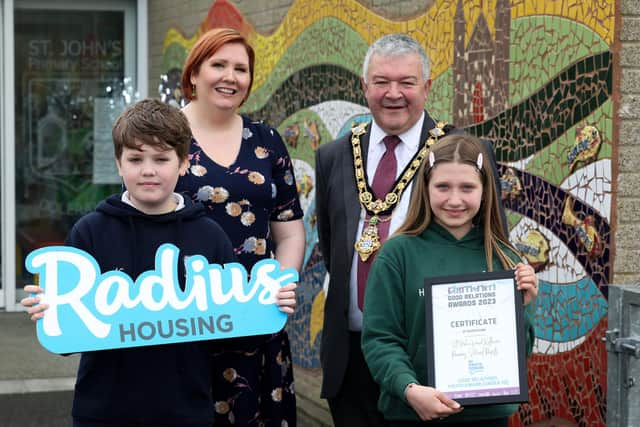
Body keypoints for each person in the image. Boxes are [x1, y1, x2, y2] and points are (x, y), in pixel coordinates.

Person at [315, 33, 506, 427]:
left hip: (431, 361)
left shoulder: (463, 152)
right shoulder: (334, 155)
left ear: (428, 87)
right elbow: (332, 243)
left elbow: (491, 242)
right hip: (349, 359)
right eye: (382, 82)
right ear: (364, 86)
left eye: (407, 82)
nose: (393, 94)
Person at [20, 98, 238, 426]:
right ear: (119, 164)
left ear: (183, 163)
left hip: (185, 412)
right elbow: (67, 340)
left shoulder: (210, 237)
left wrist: (267, 303)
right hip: (103, 412)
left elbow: (231, 332)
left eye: (161, 158)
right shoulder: (90, 233)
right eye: (135, 159)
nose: (148, 170)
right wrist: (53, 315)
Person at [175, 28, 305, 426]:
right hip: (180, 322)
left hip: (255, 322)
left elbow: (289, 230)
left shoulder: (266, 139)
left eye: (241, 69)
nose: (230, 77)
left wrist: (280, 286)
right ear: (194, 72)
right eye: (218, 65)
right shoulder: (163, 135)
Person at [361, 133, 538, 426]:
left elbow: (521, 352)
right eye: (442, 186)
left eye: (467, 187)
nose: (454, 200)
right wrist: (409, 388)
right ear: (425, 188)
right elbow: (380, 339)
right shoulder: (397, 254)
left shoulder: (507, 258)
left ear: (485, 190)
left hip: (489, 417)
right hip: (413, 414)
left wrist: (524, 308)